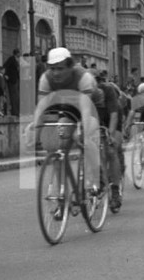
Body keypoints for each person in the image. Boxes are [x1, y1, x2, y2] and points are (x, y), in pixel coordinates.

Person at [31, 47, 102, 193]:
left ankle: (96, 173)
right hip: (69, 108)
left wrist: (84, 132)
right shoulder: (46, 78)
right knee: (59, 146)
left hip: (92, 106)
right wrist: (34, 134)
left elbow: (86, 109)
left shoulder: (83, 77)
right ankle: (63, 196)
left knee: (81, 138)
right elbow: (41, 107)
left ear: (70, 66)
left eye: (60, 68)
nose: (56, 73)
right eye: (52, 68)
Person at [91, 69, 124, 210]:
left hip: (111, 119)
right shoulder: (82, 91)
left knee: (111, 150)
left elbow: (114, 116)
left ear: (98, 82)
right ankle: (98, 179)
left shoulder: (108, 90)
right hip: (95, 121)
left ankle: (115, 190)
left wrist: (110, 136)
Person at [4, 48, 21, 116]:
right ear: (16, 53)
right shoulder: (11, 59)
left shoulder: (17, 60)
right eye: (19, 53)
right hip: (12, 80)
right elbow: (5, 66)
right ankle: (15, 111)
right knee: (14, 96)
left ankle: (17, 111)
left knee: (16, 96)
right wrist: (6, 75)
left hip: (16, 79)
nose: (20, 54)